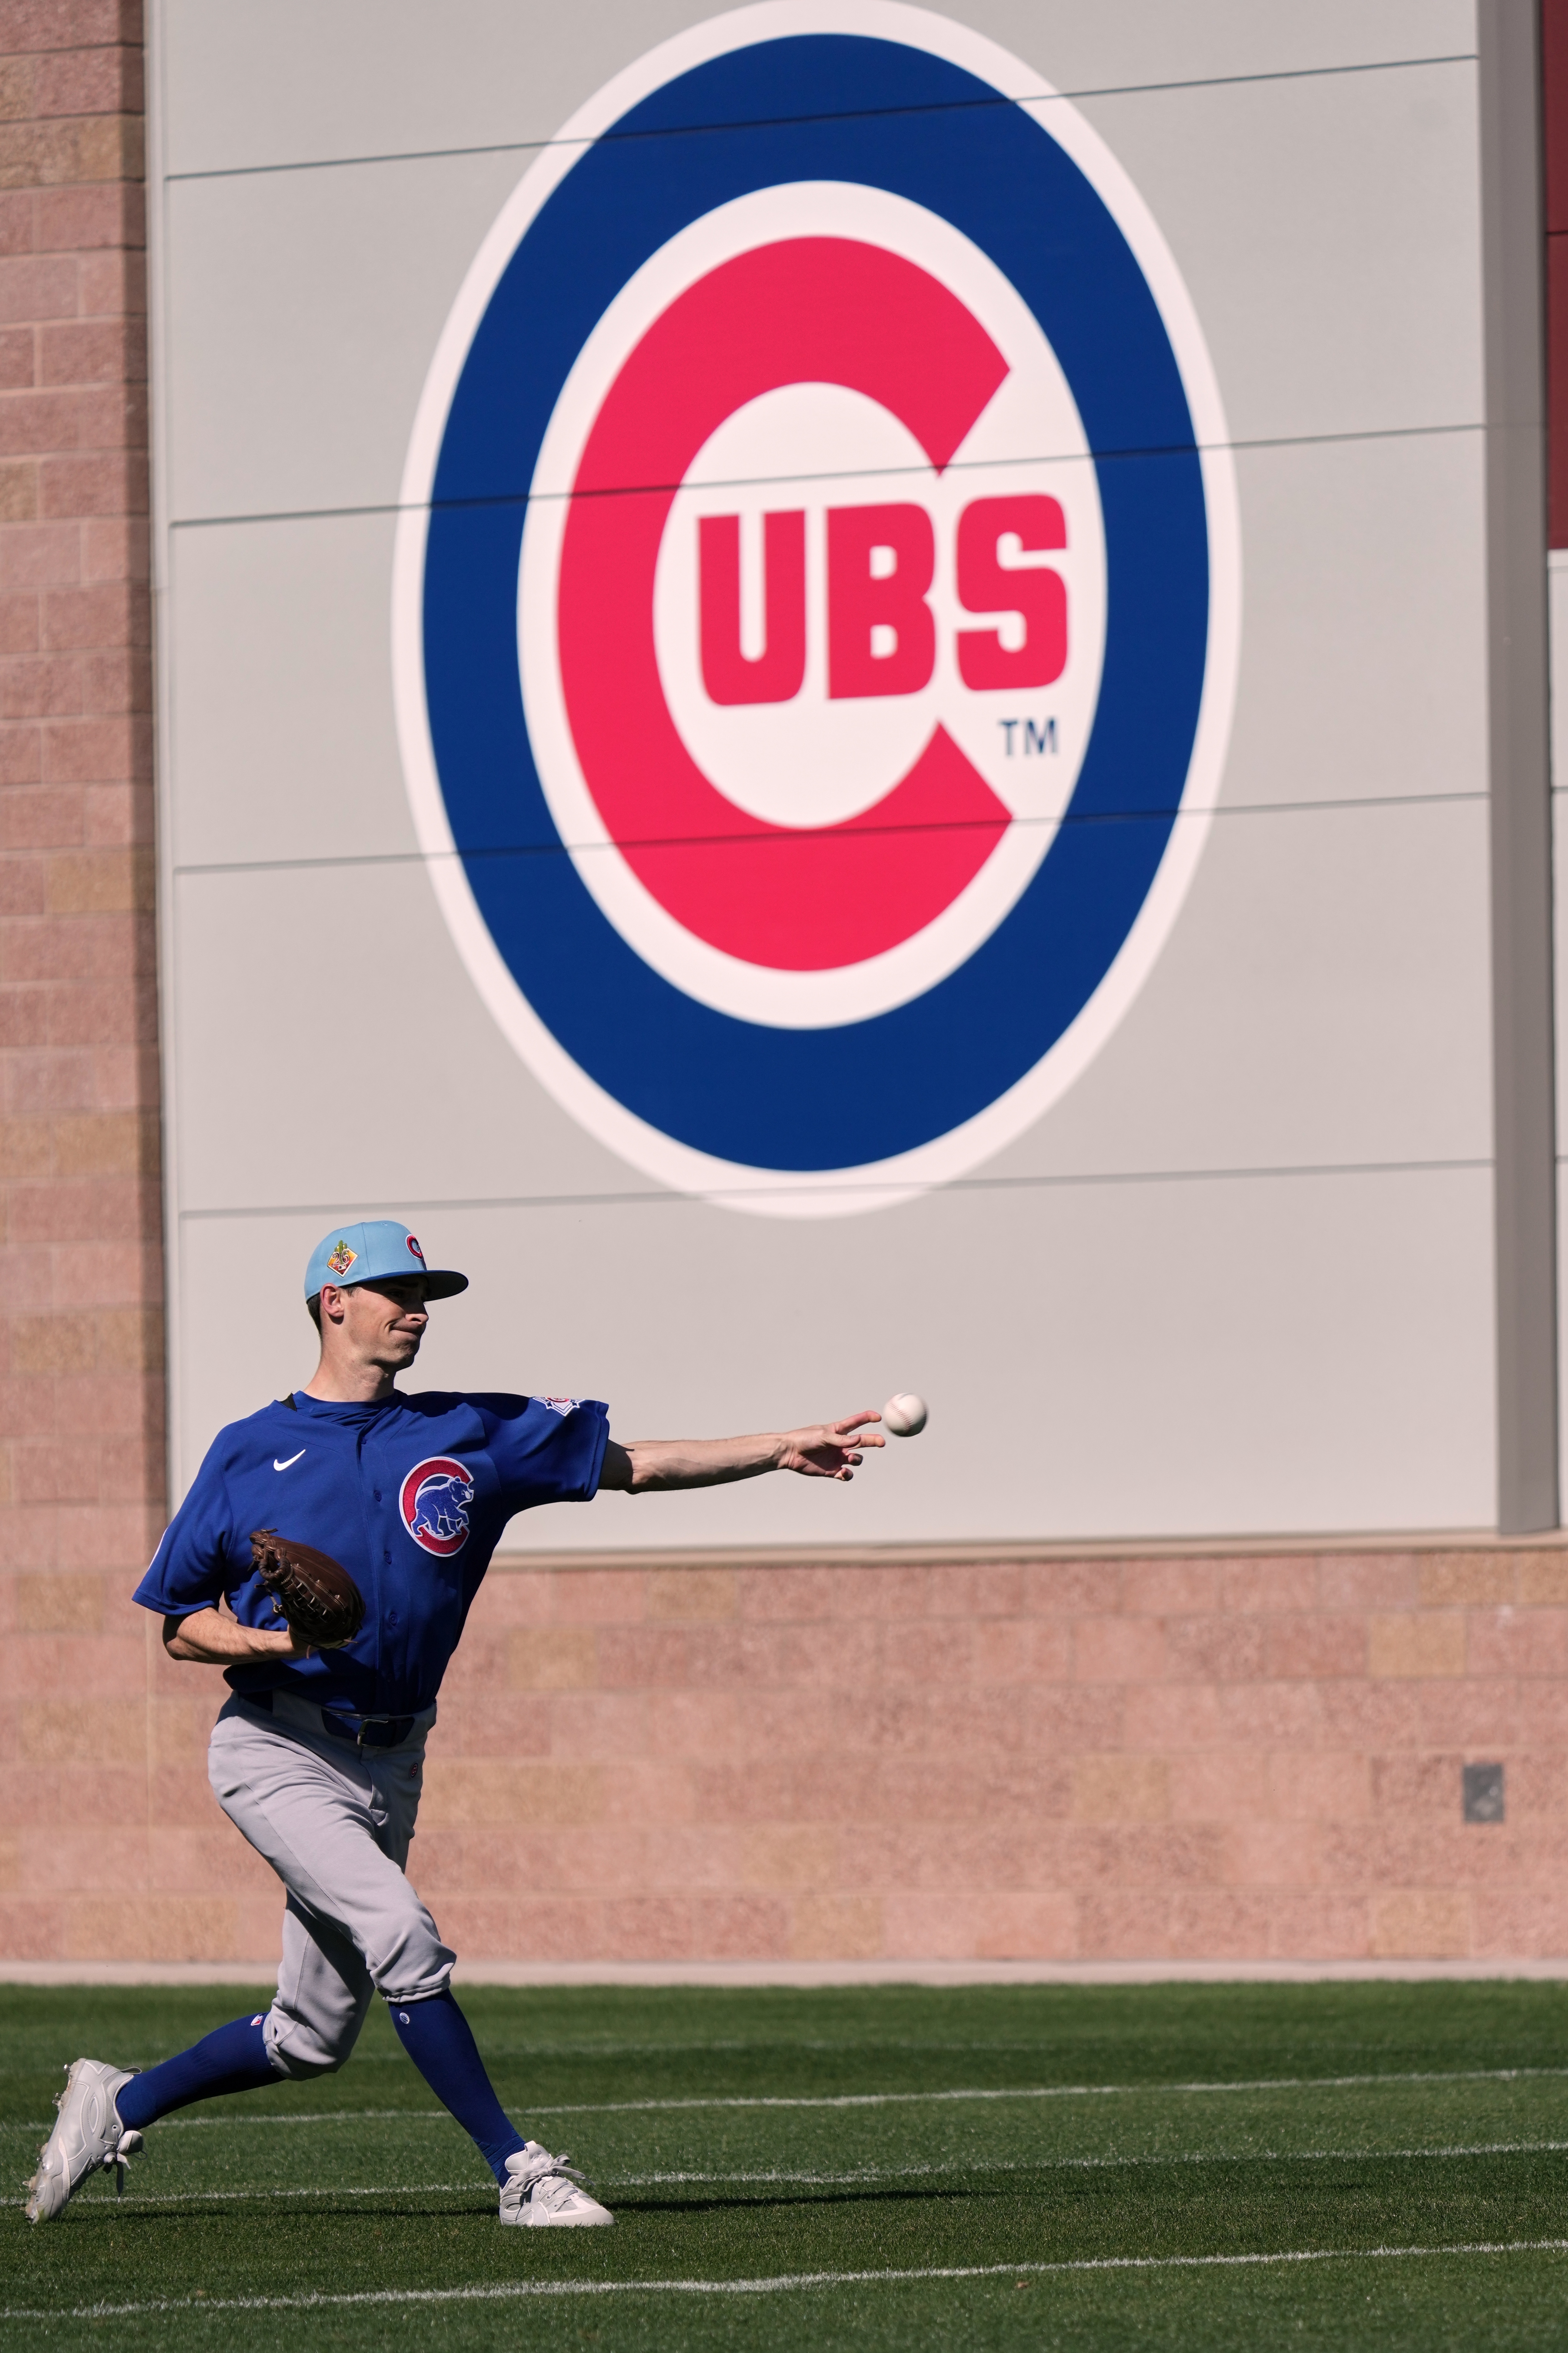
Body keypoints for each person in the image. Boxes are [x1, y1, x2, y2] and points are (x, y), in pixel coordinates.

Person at [26, 1219, 883, 2228]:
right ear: (333, 1301)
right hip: (278, 1747)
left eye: (428, 1293)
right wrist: (272, 1646)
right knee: (402, 1933)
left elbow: (639, 1464)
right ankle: (522, 2173)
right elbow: (179, 1627)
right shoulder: (250, 1450)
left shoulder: (468, 1431)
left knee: (309, 2036)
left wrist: (781, 1447)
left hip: (393, 1759)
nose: (420, 1310)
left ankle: (115, 2101)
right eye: (399, 1290)